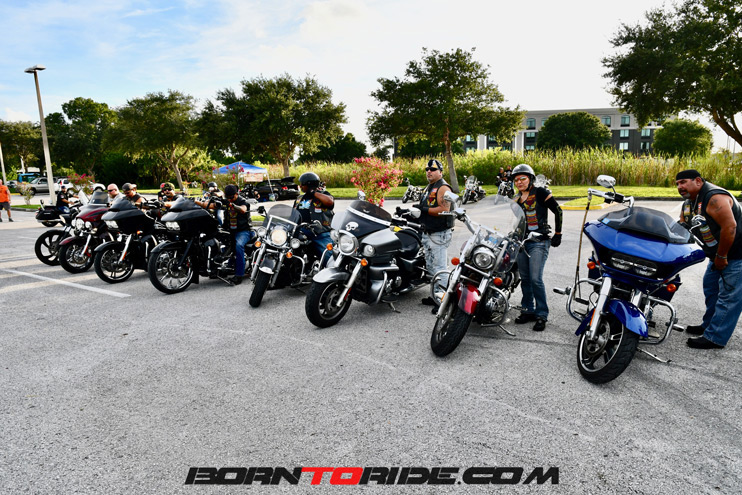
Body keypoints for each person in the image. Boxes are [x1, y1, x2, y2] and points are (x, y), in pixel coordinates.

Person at [676, 169, 742, 349]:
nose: (680, 187)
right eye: (677, 184)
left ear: (698, 181)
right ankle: (708, 325)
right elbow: (681, 225)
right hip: (719, 254)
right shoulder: (689, 202)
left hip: (736, 254)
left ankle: (715, 337)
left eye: (683, 182)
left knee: (729, 296)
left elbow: (730, 227)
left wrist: (721, 257)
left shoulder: (714, 198)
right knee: (711, 287)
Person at [511, 164, 563, 331]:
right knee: (525, 279)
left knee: (535, 279)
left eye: (523, 178)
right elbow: (517, 221)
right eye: (516, 180)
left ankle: (541, 314)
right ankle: (528, 309)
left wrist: (558, 233)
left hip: (539, 242)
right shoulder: (515, 198)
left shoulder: (541, 192)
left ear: (530, 179)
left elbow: (558, 211)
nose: (519, 182)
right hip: (522, 242)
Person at [417, 159, 454, 306]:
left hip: (439, 233)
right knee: (431, 266)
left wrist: (424, 210)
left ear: (440, 172)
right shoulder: (429, 187)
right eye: (427, 169)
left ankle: (443, 301)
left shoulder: (443, 188)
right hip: (428, 232)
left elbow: (444, 209)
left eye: (432, 169)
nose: (429, 172)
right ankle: (435, 296)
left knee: (440, 267)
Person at [293, 172, 334, 261]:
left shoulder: (323, 194)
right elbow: (293, 214)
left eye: (302, 184)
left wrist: (313, 192)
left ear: (309, 185)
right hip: (301, 231)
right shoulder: (300, 198)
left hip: (320, 233)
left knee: (328, 258)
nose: (300, 186)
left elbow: (330, 202)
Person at [224, 184, 254, 285]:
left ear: (236, 194)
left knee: (239, 246)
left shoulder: (243, 201)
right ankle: (224, 266)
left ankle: (239, 275)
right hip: (231, 230)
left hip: (244, 231)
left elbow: (243, 209)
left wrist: (231, 205)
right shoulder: (227, 201)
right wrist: (196, 202)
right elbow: (212, 205)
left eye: (231, 197)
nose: (229, 199)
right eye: (227, 197)